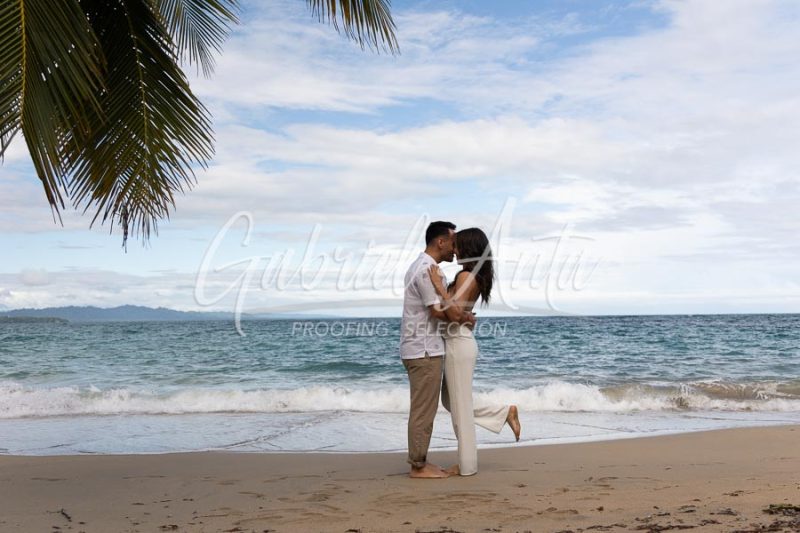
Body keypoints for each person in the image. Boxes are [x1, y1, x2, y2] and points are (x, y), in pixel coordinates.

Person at [428, 227, 521, 476]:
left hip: (459, 343)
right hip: (458, 341)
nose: (454, 249)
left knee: (460, 409)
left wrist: (437, 287)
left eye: (458, 245)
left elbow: (451, 312)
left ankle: (467, 466)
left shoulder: (465, 276)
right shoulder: (471, 276)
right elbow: (459, 313)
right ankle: (504, 412)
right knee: (452, 402)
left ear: (468, 248)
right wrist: (463, 315)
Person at [400, 221, 476, 479]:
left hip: (423, 347)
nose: (456, 250)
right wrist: (463, 318)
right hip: (424, 350)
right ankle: (417, 466)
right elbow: (436, 311)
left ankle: (420, 461)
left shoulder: (421, 267)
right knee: (423, 410)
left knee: (428, 407)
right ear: (440, 241)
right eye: (453, 243)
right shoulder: (427, 270)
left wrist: (460, 314)